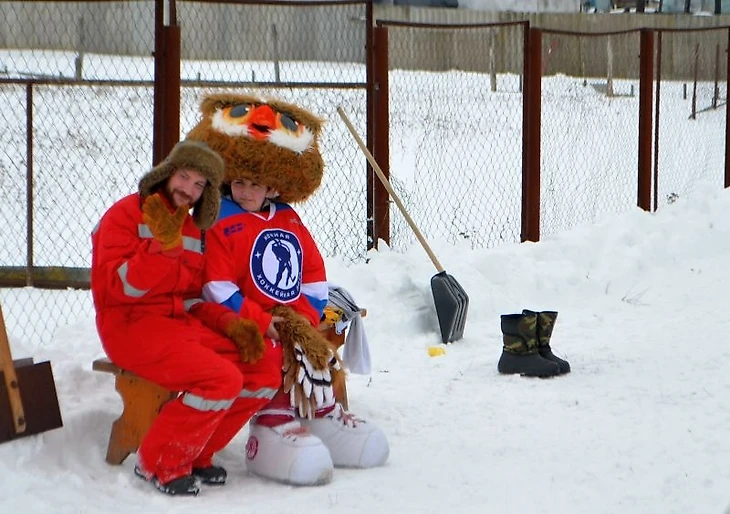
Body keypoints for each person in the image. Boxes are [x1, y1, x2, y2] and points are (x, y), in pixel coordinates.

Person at [187, 92, 389, 486]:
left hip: (292, 316)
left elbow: (312, 268)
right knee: (277, 350)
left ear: (273, 188)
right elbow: (216, 282)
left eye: (255, 185)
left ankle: (319, 410)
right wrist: (258, 319)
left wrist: (310, 313)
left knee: (314, 346)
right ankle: (271, 422)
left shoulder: (287, 219)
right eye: (239, 183)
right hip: (245, 318)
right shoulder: (221, 219)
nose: (246, 192)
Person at [90, 140, 282, 496]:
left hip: (177, 324)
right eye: (184, 177)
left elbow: (192, 298)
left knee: (263, 372)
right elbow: (119, 290)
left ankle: (197, 453)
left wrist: (231, 324)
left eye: (199, 185)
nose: (188, 189)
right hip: (129, 326)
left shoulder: (193, 228)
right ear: (167, 174)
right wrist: (160, 248)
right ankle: (158, 462)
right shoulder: (126, 214)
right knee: (220, 379)